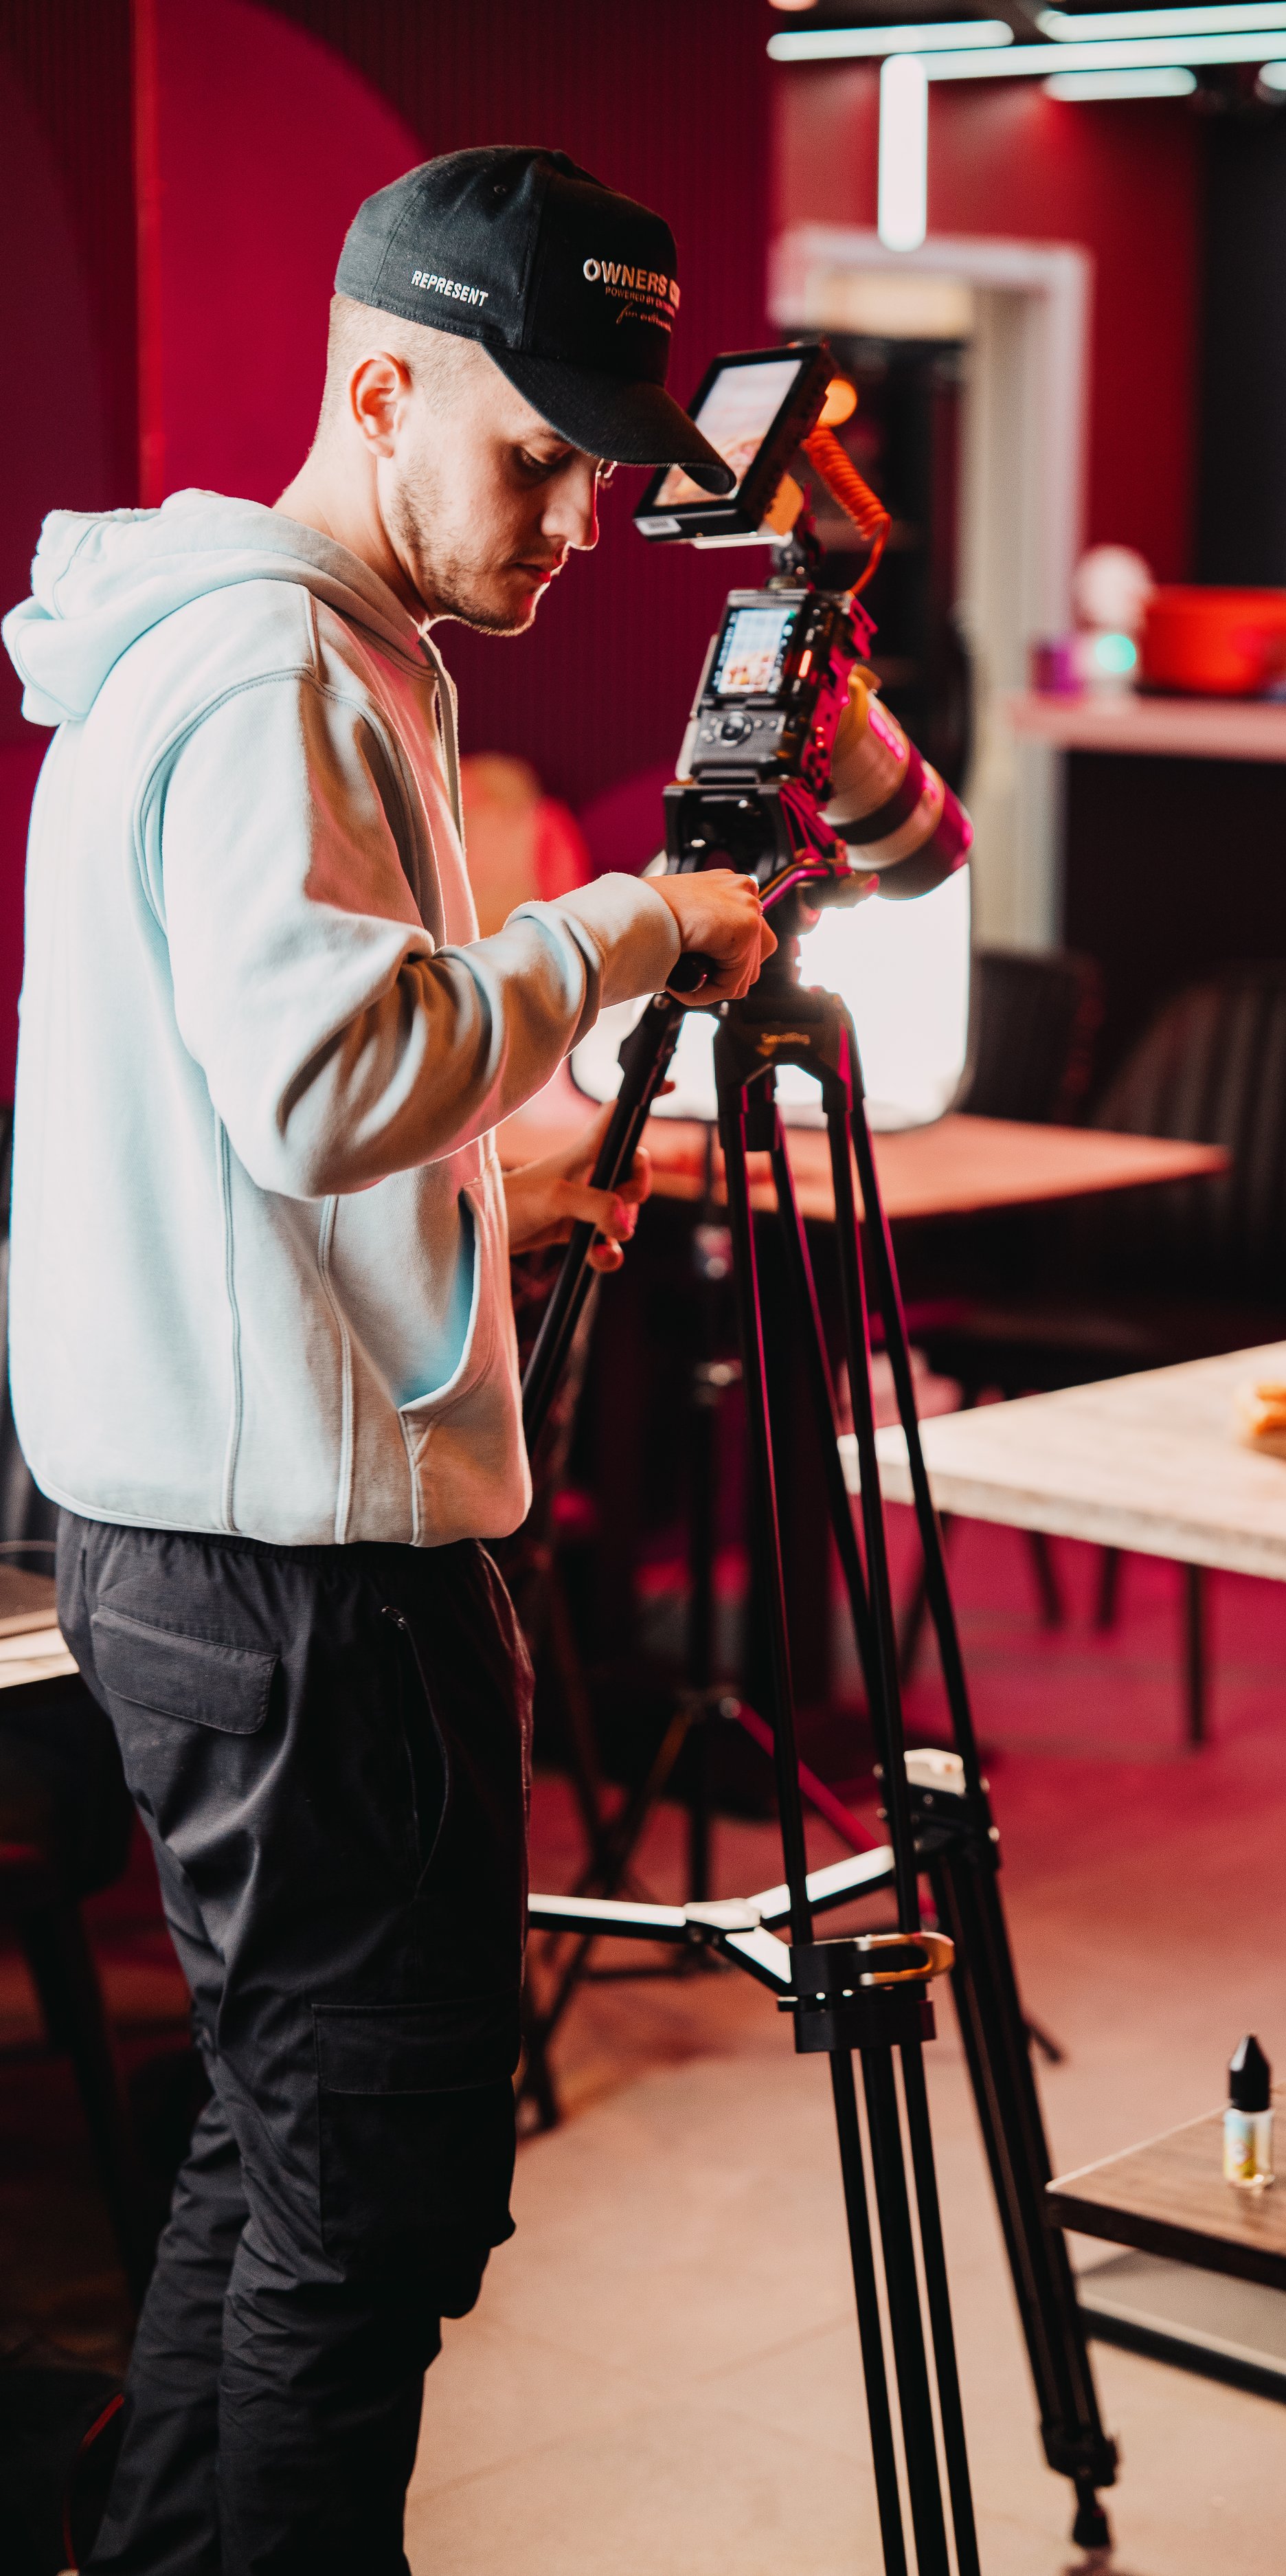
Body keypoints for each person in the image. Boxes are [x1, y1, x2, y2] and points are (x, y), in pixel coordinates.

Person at [1, 147, 773, 2573]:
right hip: (298, 1581)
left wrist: (486, 1188)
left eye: (600, 464)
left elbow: (265, 1112)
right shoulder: (271, 664)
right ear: (376, 387)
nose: (569, 516)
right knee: (366, 2212)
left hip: (221, 1539)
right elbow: (328, 1072)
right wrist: (630, 928)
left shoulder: (276, 650)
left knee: (291, 2146)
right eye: (528, 453)